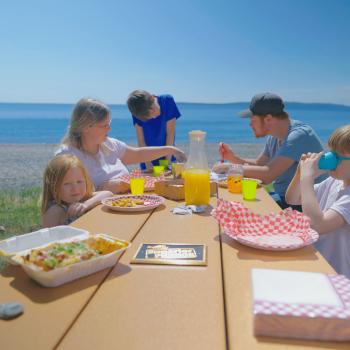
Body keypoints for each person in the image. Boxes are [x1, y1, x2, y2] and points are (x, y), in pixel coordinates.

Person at [215, 92, 327, 210]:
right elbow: (260, 164)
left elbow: (268, 175)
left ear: (268, 119)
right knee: (235, 204)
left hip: (306, 204)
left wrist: (230, 167)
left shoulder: (299, 136)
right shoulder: (274, 135)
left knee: (241, 210)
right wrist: (234, 158)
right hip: (286, 198)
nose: (250, 124)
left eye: (253, 119)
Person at [55, 98, 186, 193]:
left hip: (129, 202)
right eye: (105, 125)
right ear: (86, 127)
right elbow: (63, 199)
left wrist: (170, 149)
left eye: (109, 123)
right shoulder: (67, 156)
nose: (109, 129)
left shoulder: (108, 144)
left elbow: (138, 154)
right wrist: (101, 189)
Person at [285, 125, 350, 279]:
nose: (331, 158)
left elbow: (317, 225)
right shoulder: (334, 183)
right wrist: (301, 172)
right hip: (317, 266)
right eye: (331, 152)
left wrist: (308, 178)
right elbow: (293, 198)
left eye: (337, 156)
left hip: (337, 276)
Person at [41, 154, 113, 228]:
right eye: (67, 184)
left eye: (79, 181)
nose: (75, 189)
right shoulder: (55, 211)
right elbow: (49, 238)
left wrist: (86, 204)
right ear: (53, 186)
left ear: (86, 180)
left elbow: (108, 194)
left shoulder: (83, 199)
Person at [127, 90, 181, 171]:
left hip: (168, 156)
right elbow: (141, 140)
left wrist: (167, 162)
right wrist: (148, 163)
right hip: (147, 158)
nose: (154, 116)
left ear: (152, 98)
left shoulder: (167, 101)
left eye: (154, 111)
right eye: (150, 117)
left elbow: (170, 133)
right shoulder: (138, 111)